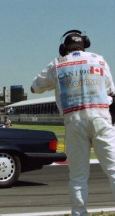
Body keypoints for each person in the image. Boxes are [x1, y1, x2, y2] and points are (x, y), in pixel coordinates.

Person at [31, 29, 115, 216]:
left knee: (78, 177)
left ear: (63, 48)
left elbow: (34, 87)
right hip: (101, 118)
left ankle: (79, 213)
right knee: (114, 170)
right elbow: (111, 90)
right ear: (85, 44)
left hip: (74, 121)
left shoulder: (57, 64)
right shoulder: (99, 60)